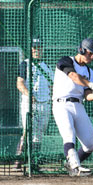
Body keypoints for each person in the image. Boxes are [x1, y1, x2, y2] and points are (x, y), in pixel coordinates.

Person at [52, 38, 93, 176]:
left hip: (78, 105)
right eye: (90, 53)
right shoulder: (66, 61)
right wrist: (91, 85)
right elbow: (74, 76)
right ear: (82, 50)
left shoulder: (91, 73)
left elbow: (87, 95)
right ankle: (76, 167)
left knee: (90, 145)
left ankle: (72, 164)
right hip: (62, 104)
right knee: (69, 135)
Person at [15, 37, 54, 169]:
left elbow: (52, 86)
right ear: (31, 49)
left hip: (44, 104)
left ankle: (34, 161)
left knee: (39, 133)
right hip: (29, 104)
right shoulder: (25, 64)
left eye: (39, 47)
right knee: (27, 130)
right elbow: (19, 83)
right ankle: (19, 158)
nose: (37, 50)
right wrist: (27, 93)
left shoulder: (47, 67)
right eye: (35, 47)